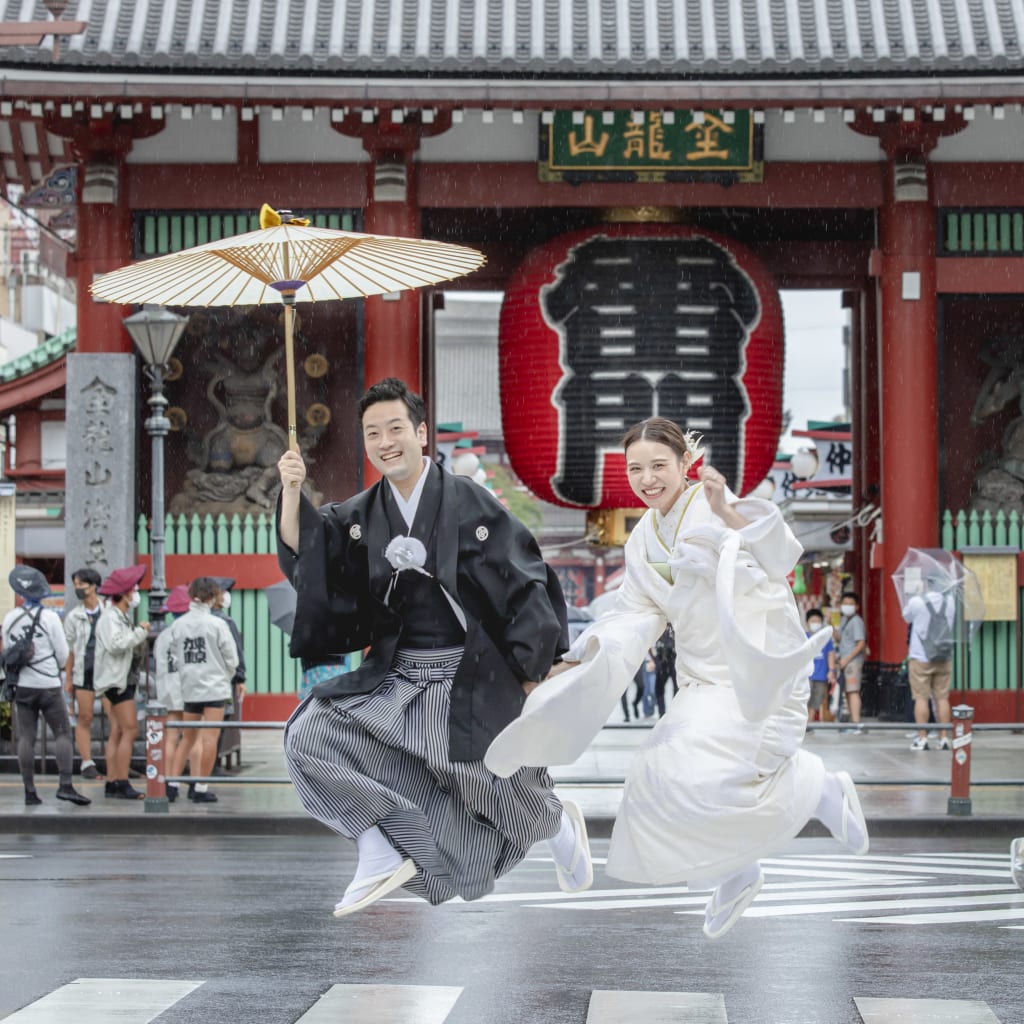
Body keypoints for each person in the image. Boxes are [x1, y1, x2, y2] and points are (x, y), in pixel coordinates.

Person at [485, 416, 869, 940]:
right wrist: (581, 659)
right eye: (635, 468)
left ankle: (819, 791)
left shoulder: (711, 506)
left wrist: (728, 513)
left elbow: (780, 559)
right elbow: (633, 616)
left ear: (685, 463)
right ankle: (737, 868)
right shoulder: (643, 538)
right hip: (700, 680)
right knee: (657, 775)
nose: (647, 479)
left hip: (750, 665)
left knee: (713, 770)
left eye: (658, 466)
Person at [277, 376, 591, 917]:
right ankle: (376, 845)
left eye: (396, 427)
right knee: (310, 734)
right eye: (372, 432)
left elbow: (523, 581)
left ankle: (556, 821)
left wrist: (535, 670)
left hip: (470, 670)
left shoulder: (470, 504)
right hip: (397, 674)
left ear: (422, 432)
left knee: (483, 778)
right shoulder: (358, 516)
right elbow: (312, 558)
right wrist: (290, 490)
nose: (384, 441)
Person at [2, 566, 89, 806]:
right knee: (62, 733)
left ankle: (29, 791)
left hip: (22, 685)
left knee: (26, 738)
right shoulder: (50, 617)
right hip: (49, 684)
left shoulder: (10, 618)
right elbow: (62, 654)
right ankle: (65, 785)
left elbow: (9, 651)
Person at [169, 577, 239, 803]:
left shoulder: (178, 625)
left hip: (190, 687)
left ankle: (171, 783)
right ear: (212, 596)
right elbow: (232, 658)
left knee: (186, 738)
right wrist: (224, 675)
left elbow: (174, 655)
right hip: (215, 689)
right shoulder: (217, 624)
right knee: (210, 738)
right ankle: (200, 787)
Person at [95, 564, 150, 799]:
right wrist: (140, 632)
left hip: (119, 679)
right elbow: (116, 644)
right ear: (125, 593)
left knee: (117, 731)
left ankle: (113, 781)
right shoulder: (110, 618)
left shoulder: (118, 616)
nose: (136, 594)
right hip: (118, 682)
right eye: (134, 590)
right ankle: (121, 781)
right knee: (129, 729)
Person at [902, 581, 955, 751]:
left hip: (921, 656)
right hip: (943, 655)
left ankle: (922, 738)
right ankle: (944, 738)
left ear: (927, 584)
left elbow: (906, 617)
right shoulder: (951, 602)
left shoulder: (917, 602)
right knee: (942, 698)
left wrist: (917, 593)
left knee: (921, 697)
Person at [63, 567, 104, 778]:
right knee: (85, 716)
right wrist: (68, 677)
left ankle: (118, 763)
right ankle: (87, 763)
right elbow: (69, 650)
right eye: (76, 585)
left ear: (93, 585)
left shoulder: (108, 610)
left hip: (107, 671)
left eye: (82, 584)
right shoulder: (74, 616)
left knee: (116, 718)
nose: (78, 588)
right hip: (83, 670)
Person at [153, 584, 190, 801]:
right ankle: (177, 781)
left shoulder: (164, 635)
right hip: (186, 687)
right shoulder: (188, 631)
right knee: (189, 736)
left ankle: (166, 780)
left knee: (171, 737)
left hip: (167, 687)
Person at [837, 592, 867, 727]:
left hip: (852, 661)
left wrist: (847, 659)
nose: (847, 606)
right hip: (845, 660)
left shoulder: (856, 621)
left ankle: (856, 722)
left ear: (857, 606)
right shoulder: (844, 620)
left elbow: (861, 643)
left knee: (853, 690)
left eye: (851, 604)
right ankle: (852, 721)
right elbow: (841, 638)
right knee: (848, 691)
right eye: (845, 604)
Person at [804, 608, 836, 721]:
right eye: (813, 621)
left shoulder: (825, 638)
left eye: (818, 621)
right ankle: (803, 725)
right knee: (804, 700)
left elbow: (830, 654)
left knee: (816, 701)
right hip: (806, 676)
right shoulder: (802, 637)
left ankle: (810, 723)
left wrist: (831, 671)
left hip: (821, 676)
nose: (815, 624)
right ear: (807, 623)